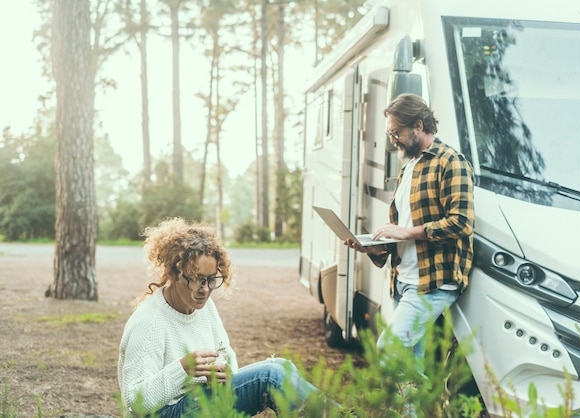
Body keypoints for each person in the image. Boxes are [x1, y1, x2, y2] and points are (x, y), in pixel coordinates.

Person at [118, 217, 317, 417]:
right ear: (173, 273)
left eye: (211, 280)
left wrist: (222, 372)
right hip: (165, 413)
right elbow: (135, 402)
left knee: (282, 367)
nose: (204, 289)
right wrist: (182, 369)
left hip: (200, 400)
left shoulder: (205, 307)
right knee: (270, 376)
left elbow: (227, 359)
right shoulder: (149, 321)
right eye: (196, 279)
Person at [345, 93, 474, 373]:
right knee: (408, 367)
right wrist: (373, 248)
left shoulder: (451, 161)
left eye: (396, 132)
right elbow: (403, 234)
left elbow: (461, 222)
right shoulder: (409, 169)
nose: (392, 140)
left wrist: (406, 232)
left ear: (418, 126)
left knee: (388, 351)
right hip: (403, 281)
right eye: (390, 133)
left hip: (433, 283)